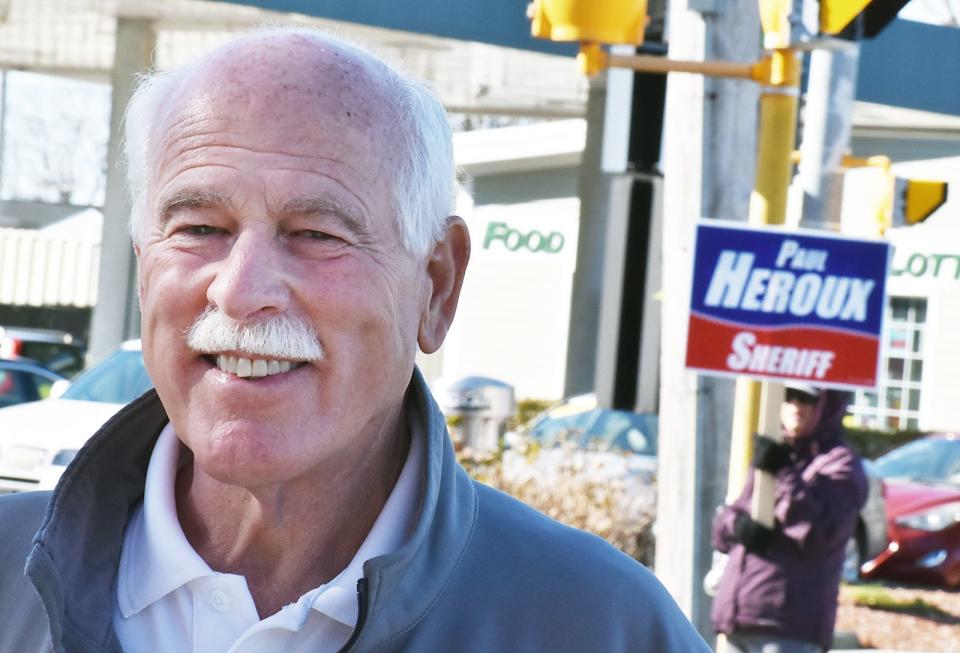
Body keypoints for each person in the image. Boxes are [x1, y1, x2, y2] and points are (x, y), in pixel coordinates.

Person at [0, 28, 711, 652]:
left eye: (316, 233)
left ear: (437, 286)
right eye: (199, 228)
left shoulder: (600, 628)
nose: (241, 289)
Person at [711, 383, 868, 653]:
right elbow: (723, 527)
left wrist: (782, 473)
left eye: (807, 397)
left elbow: (819, 533)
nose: (795, 405)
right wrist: (738, 527)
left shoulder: (841, 464)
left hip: (789, 627)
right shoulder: (776, 453)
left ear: (826, 405)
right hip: (741, 619)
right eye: (788, 395)